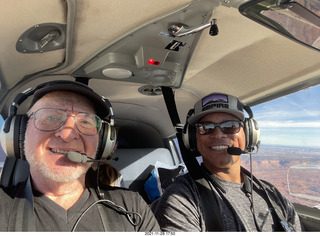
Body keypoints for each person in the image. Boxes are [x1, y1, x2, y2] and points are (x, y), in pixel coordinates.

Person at [0, 80, 160, 232]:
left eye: (85, 122)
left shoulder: (132, 207)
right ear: (19, 134)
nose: (67, 134)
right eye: (50, 117)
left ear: (102, 143)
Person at [152, 92, 303, 232]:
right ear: (192, 138)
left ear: (249, 134)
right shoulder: (181, 199)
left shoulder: (273, 194)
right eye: (206, 128)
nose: (218, 134)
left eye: (230, 126)